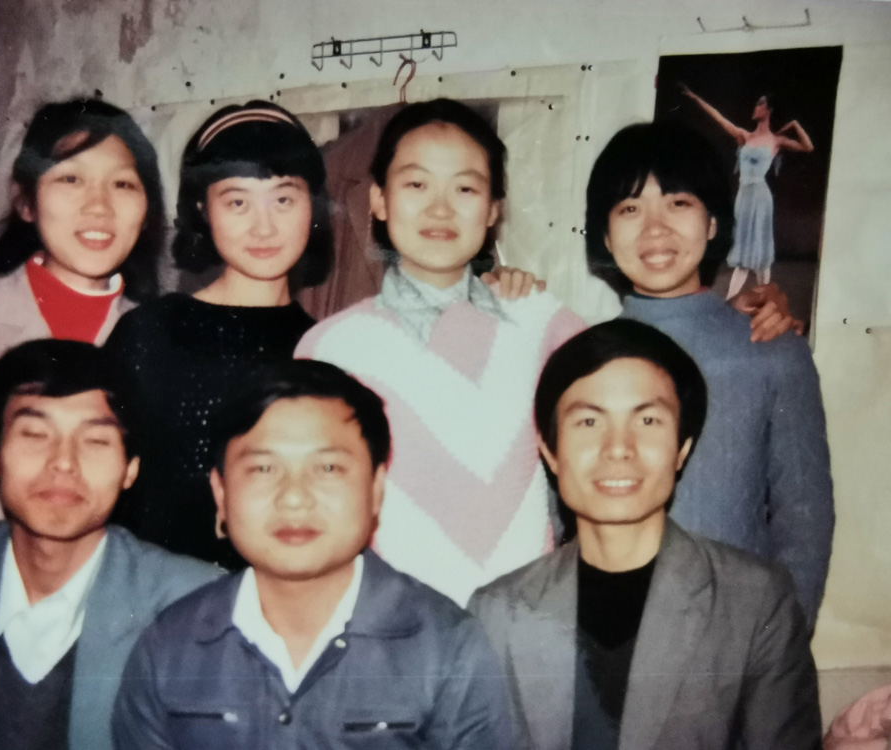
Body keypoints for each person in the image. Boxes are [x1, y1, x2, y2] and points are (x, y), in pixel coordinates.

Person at [112, 359, 512, 749]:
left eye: (328, 469)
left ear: (375, 490)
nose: (294, 498)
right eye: (264, 469)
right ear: (220, 493)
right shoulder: (169, 646)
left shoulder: (447, 647)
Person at [470, 319, 822, 750]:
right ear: (550, 451)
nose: (619, 447)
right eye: (589, 422)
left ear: (682, 449)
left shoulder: (755, 603)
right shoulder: (497, 614)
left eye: (648, 420)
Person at [295, 99, 586, 605]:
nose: (440, 208)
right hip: (392, 621)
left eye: (465, 188)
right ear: (379, 200)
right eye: (416, 184)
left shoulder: (540, 320)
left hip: (528, 617)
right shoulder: (332, 347)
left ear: (493, 209)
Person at [0, 339, 219, 750]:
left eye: (95, 441)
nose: (64, 462)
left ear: (130, 469)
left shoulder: (197, 607)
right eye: (35, 434)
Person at [584, 120, 834, 628]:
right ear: (606, 236)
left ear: (714, 223)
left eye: (678, 202)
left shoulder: (772, 350)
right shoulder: (581, 359)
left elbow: (805, 520)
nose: (655, 228)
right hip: (607, 636)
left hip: (737, 639)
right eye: (630, 208)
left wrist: (781, 646)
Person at [0, 98, 165, 530]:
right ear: (26, 203)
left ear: (147, 211)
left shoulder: (162, 339)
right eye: (71, 178)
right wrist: (30, 523)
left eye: (122, 184)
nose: (99, 206)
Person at [104, 101, 332, 566]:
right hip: (155, 594)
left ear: (312, 206)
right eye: (237, 202)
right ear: (202, 210)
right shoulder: (149, 334)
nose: (264, 227)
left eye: (283, 199)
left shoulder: (327, 347)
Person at [680, 85, 814, 298]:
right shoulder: (744, 136)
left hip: (761, 197)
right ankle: (729, 299)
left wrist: (794, 124)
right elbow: (719, 118)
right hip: (744, 197)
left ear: (768, 109)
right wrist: (696, 98)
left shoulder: (776, 140)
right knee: (743, 251)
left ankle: (764, 297)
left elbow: (808, 147)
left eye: (760, 103)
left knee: (760, 250)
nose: (755, 107)